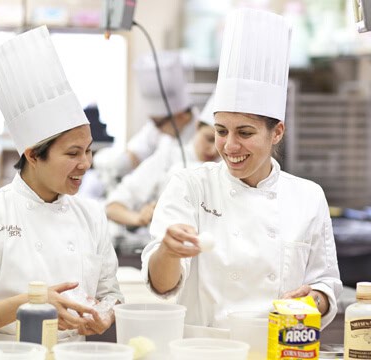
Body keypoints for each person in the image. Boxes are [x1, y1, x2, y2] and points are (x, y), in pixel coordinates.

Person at [141, 8, 342, 334]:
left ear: (276, 132)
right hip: (205, 350)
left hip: (281, 346)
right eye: (221, 131)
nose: (229, 145)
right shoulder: (190, 186)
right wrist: (167, 251)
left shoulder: (307, 196)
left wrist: (316, 298)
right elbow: (163, 285)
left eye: (245, 133)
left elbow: (325, 284)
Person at [0, 25, 123, 342]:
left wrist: (106, 313)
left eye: (89, 151)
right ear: (33, 155)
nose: (86, 164)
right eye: (73, 153)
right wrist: (28, 304)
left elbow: (111, 295)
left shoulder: (91, 217)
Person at [106, 96, 219, 228]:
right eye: (209, 139)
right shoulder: (168, 157)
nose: (213, 151)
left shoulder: (228, 168)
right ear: (197, 127)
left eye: (220, 143)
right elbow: (112, 206)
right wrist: (139, 218)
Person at [93, 51, 197, 190]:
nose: (156, 128)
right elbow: (135, 153)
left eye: (158, 123)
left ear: (181, 116)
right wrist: (114, 163)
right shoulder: (156, 129)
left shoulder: (202, 135)